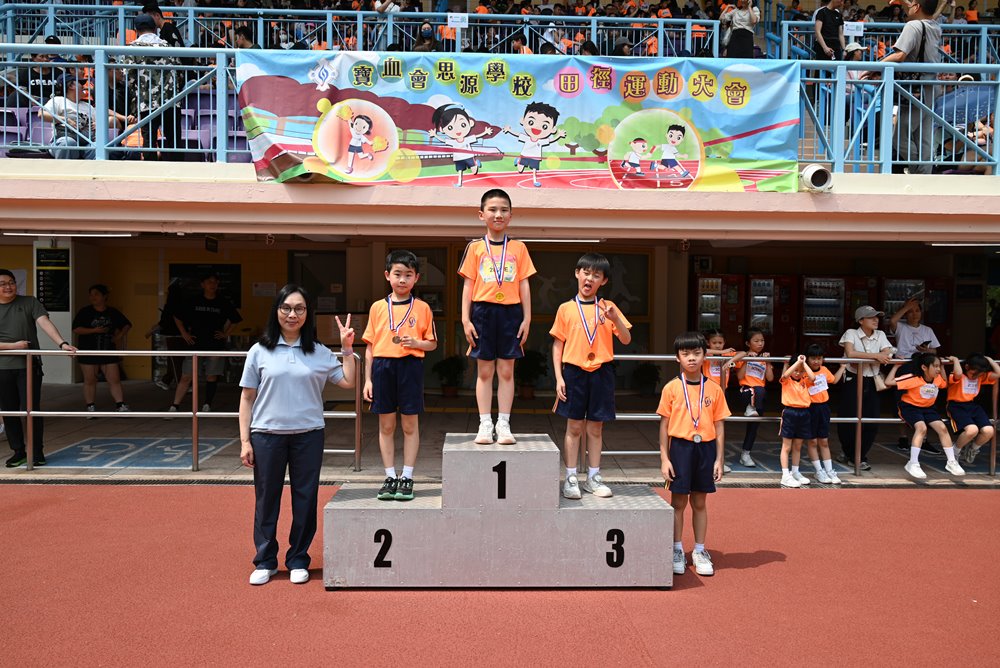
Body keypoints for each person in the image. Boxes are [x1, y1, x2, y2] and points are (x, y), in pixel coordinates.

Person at [239, 285, 356, 586]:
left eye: (299, 309)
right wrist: (245, 441)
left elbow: (347, 382)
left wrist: (346, 349)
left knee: (305, 497)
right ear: (277, 311)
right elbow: (247, 398)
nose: (292, 314)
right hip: (267, 435)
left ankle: (298, 559)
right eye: (287, 308)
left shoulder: (318, 351)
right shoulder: (259, 350)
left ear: (307, 314)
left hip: (308, 435)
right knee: (267, 499)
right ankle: (265, 560)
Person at [550, 252, 632, 500]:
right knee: (574, 426)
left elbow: (626, 339)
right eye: (586, 273)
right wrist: (559, 377)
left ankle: (593, 477)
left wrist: (615, 318)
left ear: (603, 281)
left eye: (596, 275)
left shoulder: (609, 307)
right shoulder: (565, 309)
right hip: (573, 372)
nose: (590, 278)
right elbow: (557, 345)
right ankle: (571, 477)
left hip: (602, 372)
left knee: (596, 428)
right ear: (577, 273)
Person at [459, 189, 536, 446]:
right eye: (492, 209)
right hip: (482, 312)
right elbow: (468, 285)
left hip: (511, 313)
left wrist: (526, 318)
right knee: (484, 371)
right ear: (481, 214)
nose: (498, 214)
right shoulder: (475, 247)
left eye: (503, 210)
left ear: (511, 216)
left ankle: (503, 423)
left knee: (506, 370)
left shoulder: (519, 248)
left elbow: (524, 284)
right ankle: (484, 423)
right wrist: (466, 319)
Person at [362, 251, 437, 502]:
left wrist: (416, 343)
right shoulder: (377, 307)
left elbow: (432, 343)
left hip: (410, 366)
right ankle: (389, 476)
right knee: (386, 425)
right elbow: (370, 347)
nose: (402, 280)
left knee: (409, 424)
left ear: (416, 278)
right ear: (387, 275)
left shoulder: (423, 308)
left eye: (408, 275)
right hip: (382, 367)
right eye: (397, 274)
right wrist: (368, 380)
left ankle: (407, 476)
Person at [658, 332, 731, 577]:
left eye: (697, 353)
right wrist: (665, 459)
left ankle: (699, 550)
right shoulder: (671, 388)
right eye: (686, 354)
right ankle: (677, 549)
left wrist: (719, 459)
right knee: (678, 502)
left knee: (699, 502)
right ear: (677, 358)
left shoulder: (714, 389)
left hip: (705, 449)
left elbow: (719, 427)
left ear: (705, 356)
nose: (691, 358)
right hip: (680, 449)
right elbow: (664, 426)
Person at [0, 268, 77, 468]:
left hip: (29, 366)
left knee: (31, 409)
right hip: (2, 368)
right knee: (9, 411)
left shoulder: (29, 302)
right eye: (3, 284)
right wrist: (13, 347)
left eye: (11, 282)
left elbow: (45, 323)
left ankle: (37, 452)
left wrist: (62, 344)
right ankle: (18, 452)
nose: (8, 287)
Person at [865, 0, 941, 174]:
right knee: (923, 137)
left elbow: (900, 55)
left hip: (916, 89)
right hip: (930, 85)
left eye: (911, 4)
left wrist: (875, 67)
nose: (907, 7)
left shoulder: (913, 26)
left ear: (917, 7)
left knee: (899, 138)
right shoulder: (935, 25)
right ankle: (924, 174)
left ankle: (919, 171)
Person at [169, 272, 243, 413]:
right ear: (202, 284)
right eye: (209, 282)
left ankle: (207, 404)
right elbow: (177, 317)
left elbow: (236, 319)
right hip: (194, 344)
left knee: (211, 375)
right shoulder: (193, 300)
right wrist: (184, 333)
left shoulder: (223, 302)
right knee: (186, 376)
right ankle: (174, 405)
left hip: (215, 344)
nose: (212, 285)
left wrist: (226, 333)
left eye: (215, 282)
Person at [885, 352, 965, 478]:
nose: (938, 369)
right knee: (921, 428)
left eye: (939, 366)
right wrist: (896, 366)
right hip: (910, 407)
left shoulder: (937, 379)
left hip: (928, 408)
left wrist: (943, 366)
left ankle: (951, 462)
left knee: (942, 428)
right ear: (924, 367)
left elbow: (945, 383)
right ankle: (913, 463)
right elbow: (888, 382)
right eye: (935, 366)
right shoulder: (912, 378)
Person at [837, 305, 894, 469]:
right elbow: (851, 353)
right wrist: (876, 356)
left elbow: (888, 353)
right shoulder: (851, 333)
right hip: (853, 379)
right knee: (848, 417)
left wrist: (878, 356)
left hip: (872, 380)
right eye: (871, 317)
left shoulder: (881, 334)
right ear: (860, 320)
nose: (876, 320)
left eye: (877, 317)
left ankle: (860, 456)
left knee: (872, 419)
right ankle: (849, 452)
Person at [40, 74, 135, 160]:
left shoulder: (87, 106)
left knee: (101, 147)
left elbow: (110, 119)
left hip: (87, 143)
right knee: (68, 143)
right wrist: (65, 120)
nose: (84, 86)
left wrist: (100, 124)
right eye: (80, 84)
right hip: (65, 138)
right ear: (71, 86)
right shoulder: (58, 100)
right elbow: (42, 114)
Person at [72, 284, 132, 415]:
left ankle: (120, 404)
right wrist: (94, 330)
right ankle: (90, 406)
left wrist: (119, 336)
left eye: (96, 294)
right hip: (88, 350)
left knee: (114, 379)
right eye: (91, 295)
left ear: (105, 296)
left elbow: (127, 324)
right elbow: (76, 329)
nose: (93, 297)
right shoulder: (85, 312)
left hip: (108, 349)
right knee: (90, 380)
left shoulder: (112, 312)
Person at [946, 353, 999, 465]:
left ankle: (972, 448)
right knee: (972, 430)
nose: (975, 377)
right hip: (956, 406)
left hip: (972, 405)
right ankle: (955, 452)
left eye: (979, 375)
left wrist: (990, 360)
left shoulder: (981, 377)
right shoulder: (959, 376)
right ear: (966, 367)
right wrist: (955, 360)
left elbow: (998, 373)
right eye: (973, 373)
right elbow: (958, 373)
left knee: (989, 431)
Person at [804, 344, 846, 484]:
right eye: (813, 358)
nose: (816, 361)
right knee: (812, 441)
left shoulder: (824, 370)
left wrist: (842, 367)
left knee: (823, 441)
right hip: (809, 408)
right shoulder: (803, 371)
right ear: (807, 359)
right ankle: (819, 471)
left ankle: (829, 471)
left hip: (823, 408)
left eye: (819, 358)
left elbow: (833, 380)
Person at [734, 327, 773, 468]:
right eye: (756, 341)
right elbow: (739, 377)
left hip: (759, 397)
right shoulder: (744, 357)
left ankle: (746, 454)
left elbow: (770, 378)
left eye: (762, 340)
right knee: (756, 390)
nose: (760, 343)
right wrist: (747, 361)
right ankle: (750, 407)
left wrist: (767, 362)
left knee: (753, 427)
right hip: (746, 391)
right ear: (748, 343)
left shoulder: (764, 359)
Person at [778, 355, 816, 488]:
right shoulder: (786, 380)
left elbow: (813, 377)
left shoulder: (805, 380)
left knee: (798, 446)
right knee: (787, 446)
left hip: (804, 413)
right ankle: (785, 475)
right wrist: (797, 362)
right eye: (795, 370)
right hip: (790, 413)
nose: (798, 373)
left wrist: (803, 364)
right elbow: (785, 374)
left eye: (800, 371)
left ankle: (795, 471)